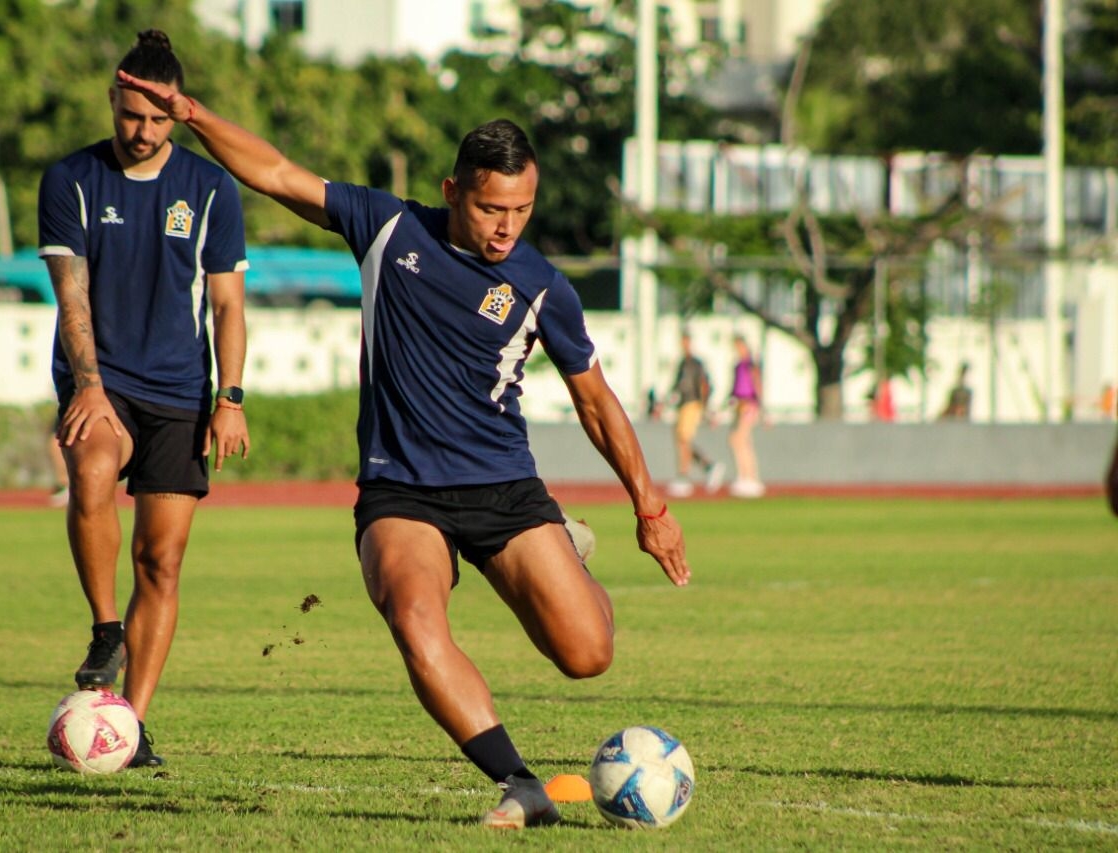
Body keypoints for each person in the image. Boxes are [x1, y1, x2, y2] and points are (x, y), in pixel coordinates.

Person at [115, 72, 688, 828]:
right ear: (452, 190)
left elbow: (594, 399)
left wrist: (649, 506)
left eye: (522, 208)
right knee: (416, 619)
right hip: (402, 493)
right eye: (490, 207)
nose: (506, 226)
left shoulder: (543, 284)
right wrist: (191, 115)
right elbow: (277, 171)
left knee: (587, 655)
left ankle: (568, 551)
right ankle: (517, 782)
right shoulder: (389, 229)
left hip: (504, 488)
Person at [38, 30, 251, 769]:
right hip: (104, 379)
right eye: (133, 116)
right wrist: (89, 383)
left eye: (160, 120)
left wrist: (231, 396)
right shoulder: (69, 179)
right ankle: (105, 627)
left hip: (181, 392)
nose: (145, 132)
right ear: (113, 102)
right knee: (91, 470)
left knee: (160, 561)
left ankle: (128, 725)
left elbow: (227, 305)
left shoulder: (212, 188)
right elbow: (72, 296)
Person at [666, 330, 724, 498]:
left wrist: (705, 407)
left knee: (683, 439)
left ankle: (684, 477)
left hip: (693, 404)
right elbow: (676, 386)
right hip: (683, 404)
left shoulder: (696, 364)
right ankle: (708, 466)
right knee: (682, 441)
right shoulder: (682, 363)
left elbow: (704, 385)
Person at [727, 334, 766, 498]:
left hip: (749, 404)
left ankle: (748, 477)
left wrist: (761, 407)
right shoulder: (738, 366)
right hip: (740, 404)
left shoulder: (750, 364)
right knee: (742, 441)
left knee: (739, 439)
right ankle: (747, 476)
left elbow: (757, 384)